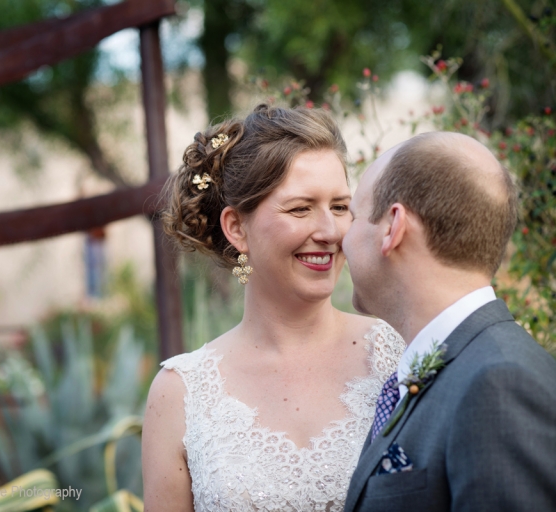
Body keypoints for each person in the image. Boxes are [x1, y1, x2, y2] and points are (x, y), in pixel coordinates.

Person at [141, 104, 405, 512]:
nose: (330, 231)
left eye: (339, 207)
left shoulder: (397, 354)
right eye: (300, 208)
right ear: (236, 227)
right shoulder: (180, 394)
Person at [342, 131, 556, 512]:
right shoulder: (464, 365)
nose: (341, 236)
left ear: (393, 227)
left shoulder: (499, 385)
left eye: (354, 216)